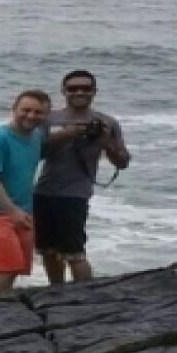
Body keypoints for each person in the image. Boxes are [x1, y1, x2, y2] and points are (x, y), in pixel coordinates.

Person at [34, 70, 131, 285]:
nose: (79, 92)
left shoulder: (107, 122)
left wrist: (106, 142)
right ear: (64, 91)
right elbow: (34, 153)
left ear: (94, 91)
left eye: (86, 88)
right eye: (73, 88)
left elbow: (122, 162)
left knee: (74, 252)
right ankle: (56, 291)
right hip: (43, 191)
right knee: (48, 250)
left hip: (75, 195)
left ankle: (86, 293)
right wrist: (66, 134)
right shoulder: (49, 120)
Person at [0, 89, 50, 298]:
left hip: (22, 210)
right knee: (4, 268)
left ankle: (0, 307)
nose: (31, 116)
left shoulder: (36, 136)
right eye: (26, 110)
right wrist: (12, 211)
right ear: (14, 109)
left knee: (15, 267)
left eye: (38, 112)